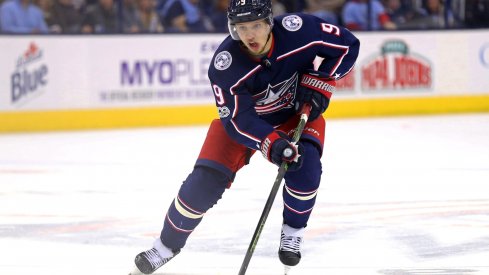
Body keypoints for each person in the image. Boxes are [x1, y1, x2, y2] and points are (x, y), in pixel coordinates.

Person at [130, 0, 360, 274]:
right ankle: (165, 247)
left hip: (292, 114)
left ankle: (293, 232)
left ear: (269, 23)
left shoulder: (300, 29)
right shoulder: (225, 65)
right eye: (241, 28)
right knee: (202, 183)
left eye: (256, 26)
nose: (249, 35)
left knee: (307, 168)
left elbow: (348, 45)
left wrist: (323, 79)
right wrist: (271, 143)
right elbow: (238, 120)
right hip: (246, 124)